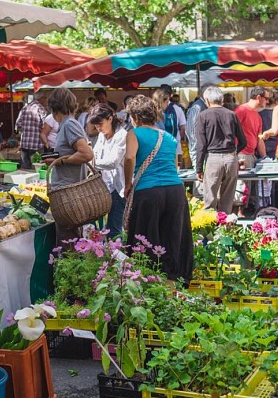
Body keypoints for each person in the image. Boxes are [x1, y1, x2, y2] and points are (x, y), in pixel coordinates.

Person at [124, 95, 192, 284]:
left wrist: (128, 183)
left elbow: (129, 158)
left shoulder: (134, 133)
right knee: (171, 238)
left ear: (135, 117)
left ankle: (147, 281)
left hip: (149, 191)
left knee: (145, 238)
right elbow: (175, 165)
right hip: (175, 190)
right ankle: (171, 284)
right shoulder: (169, 137)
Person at [44, 88, 94, 245]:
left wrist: (61, 161)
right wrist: (56, 158)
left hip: (68, 194)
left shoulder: (69, 124)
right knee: (70, 241)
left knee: (68, 244)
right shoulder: (67, 124)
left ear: (54, 108)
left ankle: (70, 270)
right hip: (67, 192)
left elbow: (86, 154)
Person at [196, 86, 246, 213]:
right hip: (230, 158)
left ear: (207, 100)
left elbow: (201, 145)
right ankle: (225, 228)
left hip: (213, 158)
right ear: (221, 99)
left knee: (210, 200)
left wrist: (198, 168)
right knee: (227, 201)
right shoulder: (231, 115)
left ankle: (209, 229)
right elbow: (243, 141)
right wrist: (234, 152)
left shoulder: (203, 116)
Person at [88, 104, 127, 237]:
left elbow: (113, 162)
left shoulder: (122, 135)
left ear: (110, 118)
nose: (98, 128)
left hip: (118, 188)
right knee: (94, 226)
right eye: (96, 125)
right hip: (103, 188)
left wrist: (90, 162)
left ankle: (115, 256)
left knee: (114, 229)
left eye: (100, 124)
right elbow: (95, 154)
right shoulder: (101, 135)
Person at [235, 86, 268, 169]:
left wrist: (265, 158)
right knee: (242, 181)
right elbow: (231, 130)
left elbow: (259, 139)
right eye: (266, 98)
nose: (267, 101)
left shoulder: (258, 116)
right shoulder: (241, 110)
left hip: (251, 155)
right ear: (258, 97)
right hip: (241, 155)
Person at [16, 91, 47, 169]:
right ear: (40, 98)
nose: (45, 100)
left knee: (26, 170)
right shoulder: (40, 108)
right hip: (36, 144)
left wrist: (25, 131)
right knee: (37, 169)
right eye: (45, 98)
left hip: (24, 144)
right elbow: (45, 125)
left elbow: (18, 124)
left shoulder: (25, 108)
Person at [185, 89, 208, 172]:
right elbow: (191, 131)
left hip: (203, 150)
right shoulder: (197, 107)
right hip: (199, 150)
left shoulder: (204, 105)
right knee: (200, 178)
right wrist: (196, 149)